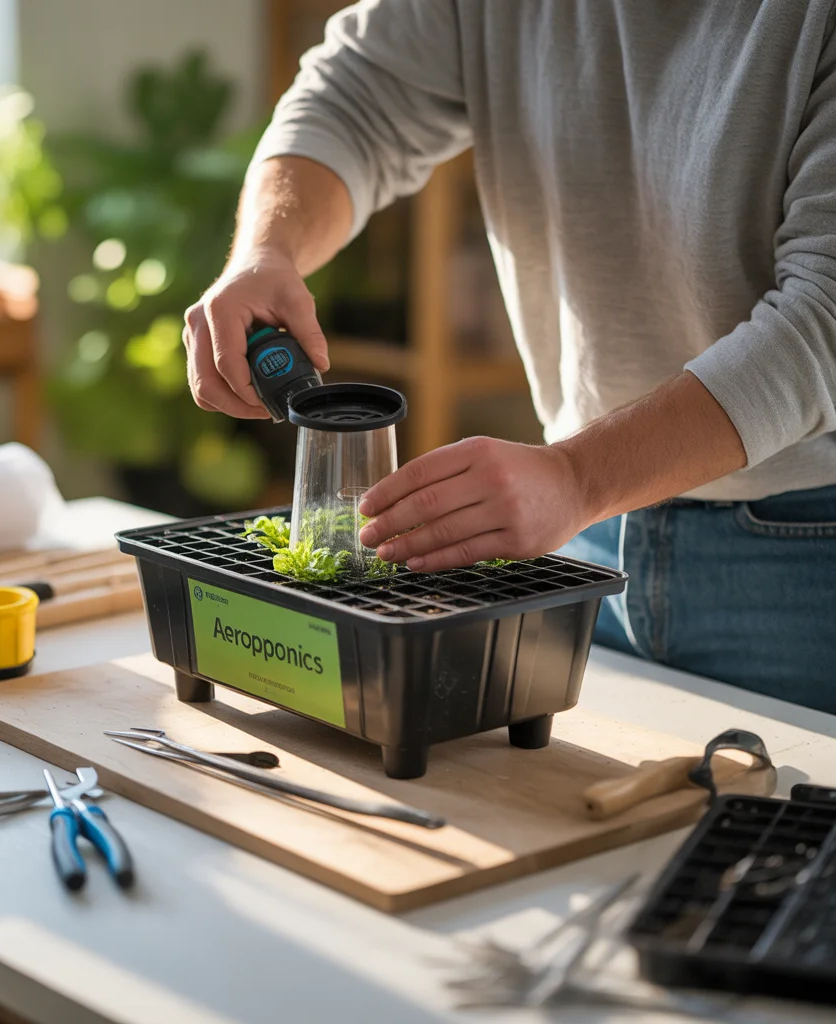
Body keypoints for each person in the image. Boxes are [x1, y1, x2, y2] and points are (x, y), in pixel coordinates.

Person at [182, 1, 836, 712]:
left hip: (803, 554)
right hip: (580, 537)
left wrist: (581, 476)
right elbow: (353, 98)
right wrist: (266, 250)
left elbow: (824, 319)